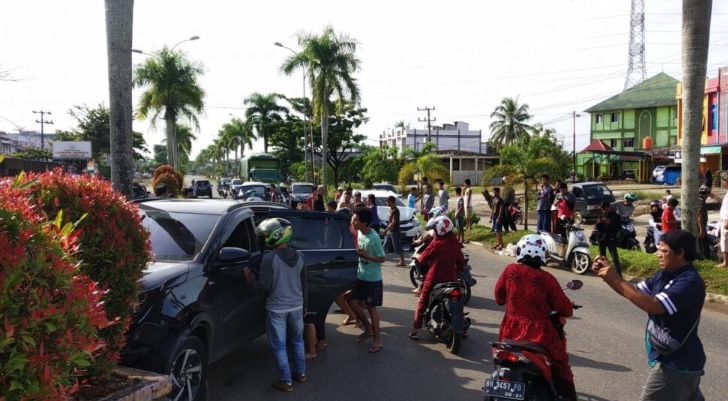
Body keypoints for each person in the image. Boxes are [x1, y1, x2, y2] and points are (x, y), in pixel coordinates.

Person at [593, 230, 706, 401]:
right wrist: (608, 274)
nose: (658, 255)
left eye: (664, 251)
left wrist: (615, 279)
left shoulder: (689, 282)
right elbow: (636, 292)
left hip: (677, 365)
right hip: (676, 362)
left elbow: (653, 306)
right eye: (659, 250)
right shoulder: (664, 274)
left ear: (681, 253)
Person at [494, 234, 577, 401]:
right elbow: (566, 309)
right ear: (543, 254)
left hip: (510, 332)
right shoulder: (547, 279)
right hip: (539, 335)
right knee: (561, 365)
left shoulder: (510, 270)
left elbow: (498, 298)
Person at [247, 218, 306, 392]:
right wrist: (306, 306)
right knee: (297, 341)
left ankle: (286, 381)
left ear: (275, 236)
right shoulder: (301, 256)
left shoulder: (269, 258)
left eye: (266, 235)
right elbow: (305, 284)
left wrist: (250, 280)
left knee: (278, 345)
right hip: (297, 306)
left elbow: (264, 286)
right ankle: (301, 374)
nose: (264, 238)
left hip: (276, 309)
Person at [409, 215, 464, 340]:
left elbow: (422, 259)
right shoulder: (454, 240)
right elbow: (461, 260)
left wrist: (418, 258)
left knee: (422, 300)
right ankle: (462, 326)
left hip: (434, 278)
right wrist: (458, 270)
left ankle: (415, 329)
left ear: (439, 230)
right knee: (459, 300)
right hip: (452, 278)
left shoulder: (436, 243)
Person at [349, 207, 386, 353]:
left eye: (356, 220)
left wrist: (366, 257)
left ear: (364, 223)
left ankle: (377, 341)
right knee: (352, 302)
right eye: (353, 218)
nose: (353, 221)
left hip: (372, 279)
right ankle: (368, 328)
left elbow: (382, 258)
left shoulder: (374, 238)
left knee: (372, 308)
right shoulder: (359, 232)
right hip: (360, 276)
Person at [596, 201, 623, 277]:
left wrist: (609, 223)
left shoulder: (616, 216)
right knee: (603, 257)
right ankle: (604, 273)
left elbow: (618, 228)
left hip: (611, 239)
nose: (604, 210)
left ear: (609, 208)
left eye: (606, 209)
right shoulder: (600, 215)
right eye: (603, 209)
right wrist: (599, 223)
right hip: (601, 239)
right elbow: (597, 227)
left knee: (615, 258)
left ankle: (619, 275)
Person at [382, 195, 405, 266]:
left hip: (395, 231)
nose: (387, 203)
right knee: (385, 245)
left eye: (387, 202)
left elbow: (393, 222)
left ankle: (402, 261)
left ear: (391, 202)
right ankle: (379, 259)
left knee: (397, 246)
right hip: (390, 231)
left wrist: (386, 230)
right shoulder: (390, 209)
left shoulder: (396, 210)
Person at [719, 181, 728, 268]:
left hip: (726, 219)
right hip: (724, 219)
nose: (724, 184)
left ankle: (725, 262)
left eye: (725, 182)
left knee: (725, 241)